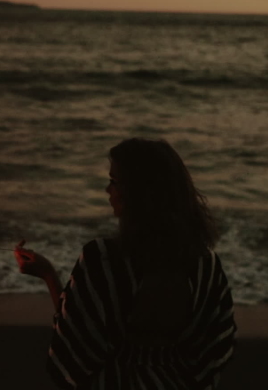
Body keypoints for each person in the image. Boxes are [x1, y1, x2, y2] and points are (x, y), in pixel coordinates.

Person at [14, 138, 236, 389]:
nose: (108, 190)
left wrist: (48, 276)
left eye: (114, 181)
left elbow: (77, 336)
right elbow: (215, 346)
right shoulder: (206, 265)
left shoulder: (104, 258)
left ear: (138, 191)